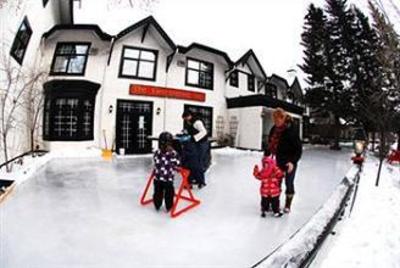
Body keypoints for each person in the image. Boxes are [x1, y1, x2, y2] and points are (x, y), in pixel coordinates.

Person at [268, 108, 302, 213]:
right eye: (274, 120)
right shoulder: (274, 129)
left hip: (289, 162)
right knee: (276, 183)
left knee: (289, 183)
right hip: (277, 161)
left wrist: (292, 162)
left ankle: (288, 205)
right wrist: (267, 155)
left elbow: (298, 149)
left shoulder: (291, 130)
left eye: (278, 120)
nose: (276, 122)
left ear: (283, 118)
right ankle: (275, 203)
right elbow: (270, 143)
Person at [153, 132, 180, 212]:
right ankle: (169, 206)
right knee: (168, 193)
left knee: (158, 191)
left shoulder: (157, 152)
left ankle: (157, 204)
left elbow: (155, 160)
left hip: (157, 177)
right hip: (168, 178)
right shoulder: (173, 153)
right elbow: (177, 164)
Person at [253, 148, 284, 218]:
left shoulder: (263, 171)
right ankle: (276, 211)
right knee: (275, 201)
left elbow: (258, 176)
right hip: (274, 189)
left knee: (264, 201)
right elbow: (280, 174)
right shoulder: (275, 168)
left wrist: (256, 170)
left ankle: (264, 210)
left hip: (265, 190)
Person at [181, 110, 209, 188]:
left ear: (189, 116)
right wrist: (185, 132)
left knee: (198, 162)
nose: (186, 120)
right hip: (195, 144)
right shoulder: (189, 122)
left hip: (202, 144)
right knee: (191, 162)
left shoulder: (197, 122)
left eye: (186, 118)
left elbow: (204, 132)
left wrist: (192, 138)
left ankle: (201, 181)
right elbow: (191, 130)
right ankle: (193, 179)